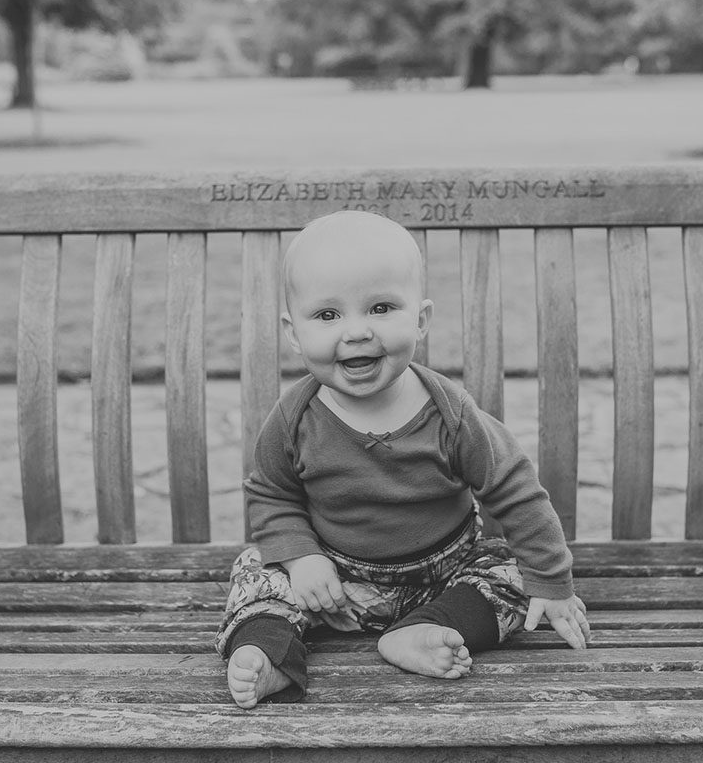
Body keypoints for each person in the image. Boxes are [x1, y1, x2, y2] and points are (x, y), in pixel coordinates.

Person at [216, 210, 590, 709]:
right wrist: (303, 558)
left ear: (420, 319)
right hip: (332, 582)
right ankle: (271, 656)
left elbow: (515, 488)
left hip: (445, 573)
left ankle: (424, 631)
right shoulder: (294, 418)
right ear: (293, 332)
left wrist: (552, 582)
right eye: (328, 316)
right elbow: (271, 493)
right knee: (258, 573)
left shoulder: (450, 414)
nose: (356, 332)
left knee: (514, 579)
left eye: (381, 307)